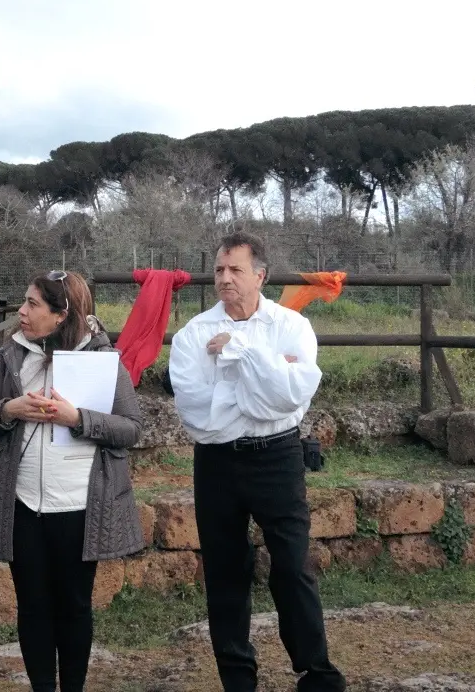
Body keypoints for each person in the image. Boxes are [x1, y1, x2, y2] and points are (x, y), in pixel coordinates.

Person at [168, 232, 346, 692]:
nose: (224, 278)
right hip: (217, 462)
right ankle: (238, 681)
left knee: (293, 565)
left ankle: (317, 675)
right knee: (225, 570)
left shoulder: (292, 327)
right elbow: (200, 416)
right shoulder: (192, 336)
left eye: (236, 270)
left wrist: (241, 354)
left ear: (260, 276)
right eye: (219, 270)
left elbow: (291, 396)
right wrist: (266, 375)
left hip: (278, 457)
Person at [0, 270, 145, 692]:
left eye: (32, 304)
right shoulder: (12, 356)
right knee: (31, 606)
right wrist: (8, 410)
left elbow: (131, 428)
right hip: (22, 503)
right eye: (24, 302)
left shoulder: (102, 358)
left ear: (61, 315)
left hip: (80, 506)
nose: (22, 312)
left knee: (75, 606)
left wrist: (77, 419)